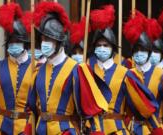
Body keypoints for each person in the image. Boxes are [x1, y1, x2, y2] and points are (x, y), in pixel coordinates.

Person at [29, 2, 112, 134]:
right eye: (43, 39)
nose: (45, 43)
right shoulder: (38, 70)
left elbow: (91, 111)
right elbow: (32, 109)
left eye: (49, 39)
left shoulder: (77, 69)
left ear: (59, 42)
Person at [87, 5, 163, 135]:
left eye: (105, 45)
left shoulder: (125, 73)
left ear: (112, 48)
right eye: (99, 45)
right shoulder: (87, 70)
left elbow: (143, 105)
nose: (102, 48)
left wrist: (157, 129)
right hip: (93, 130)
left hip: (118, 130)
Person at [124, 10, 163, 135]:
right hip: (133, 130)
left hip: (157, 129)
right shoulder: (127, 74)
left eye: (142, 50)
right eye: (136, 50)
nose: (139, 53)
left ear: (149, 51)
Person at [0, 3, 33, 135]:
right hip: (2, 128)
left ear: (25, 43)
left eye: (17, 41)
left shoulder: (36, 67)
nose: (14, 44)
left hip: (26, 127)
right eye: (11, 41)